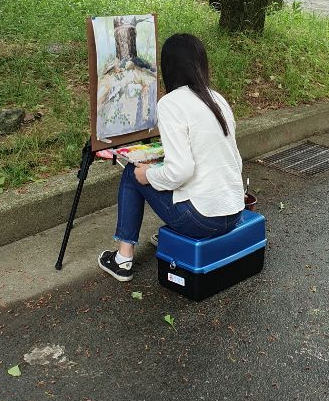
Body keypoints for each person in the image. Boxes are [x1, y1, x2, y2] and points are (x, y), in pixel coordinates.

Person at [98, 33, 245, 282]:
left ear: (168, 67)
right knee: (153, 175)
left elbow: (181, 170)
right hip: (234, 212)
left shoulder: (170, 103)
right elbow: (233, 160)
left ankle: (122, 259)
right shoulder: (216, 98)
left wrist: (147, 174)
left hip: (203, 220)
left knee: (132, 174)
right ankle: (175, 234)